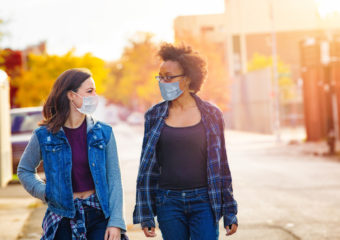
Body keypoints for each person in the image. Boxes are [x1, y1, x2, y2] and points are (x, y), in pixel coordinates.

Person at [133, 43, 238, 240]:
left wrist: (230, 211)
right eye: (160, 76)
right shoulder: (154, 115)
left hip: (204, 201)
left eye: (169, 77)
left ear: (188, 78)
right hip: (168, 202)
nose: (163, 81)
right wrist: (146, 214)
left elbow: (222, 165)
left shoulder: (212, 114)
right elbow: (147, 168)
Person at [17, 68, 127, 240]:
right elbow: (24, 170)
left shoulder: (104, 132)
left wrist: (116, 222)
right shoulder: (44, 135)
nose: (95, 96)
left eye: (95, 91)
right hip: (63, 216)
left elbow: (114, 179)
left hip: (98, 214)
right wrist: (46, 192)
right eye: (89, 91)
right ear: (71, 95)